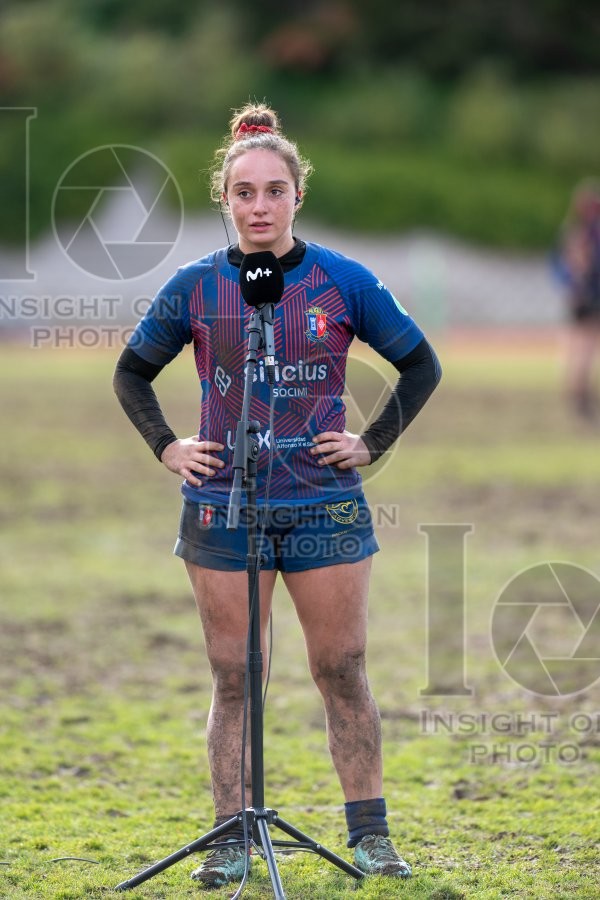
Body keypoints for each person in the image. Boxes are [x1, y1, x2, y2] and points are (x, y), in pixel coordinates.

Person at [113, 102, 441, 890]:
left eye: (273, 191)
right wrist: (169, 445)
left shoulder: (345, 279)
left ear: (298, 195)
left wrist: (371, 441)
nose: (259, 207)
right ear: (225, 200)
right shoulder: (195, 287)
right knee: (234, 676)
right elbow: (131, 372)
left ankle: (371, 838)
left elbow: (420, 365)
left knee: (343, 666)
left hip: (323, 502)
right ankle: (230, 837)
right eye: (243, 193)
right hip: (223, 503)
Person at [554, 179, 600, 420]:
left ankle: (576, 390)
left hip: (577, 296)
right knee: (586, 346)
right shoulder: (591, 233)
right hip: (590, 296)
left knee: (577, 344)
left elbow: (561, 267)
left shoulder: (572, 230)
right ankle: (580, 393)